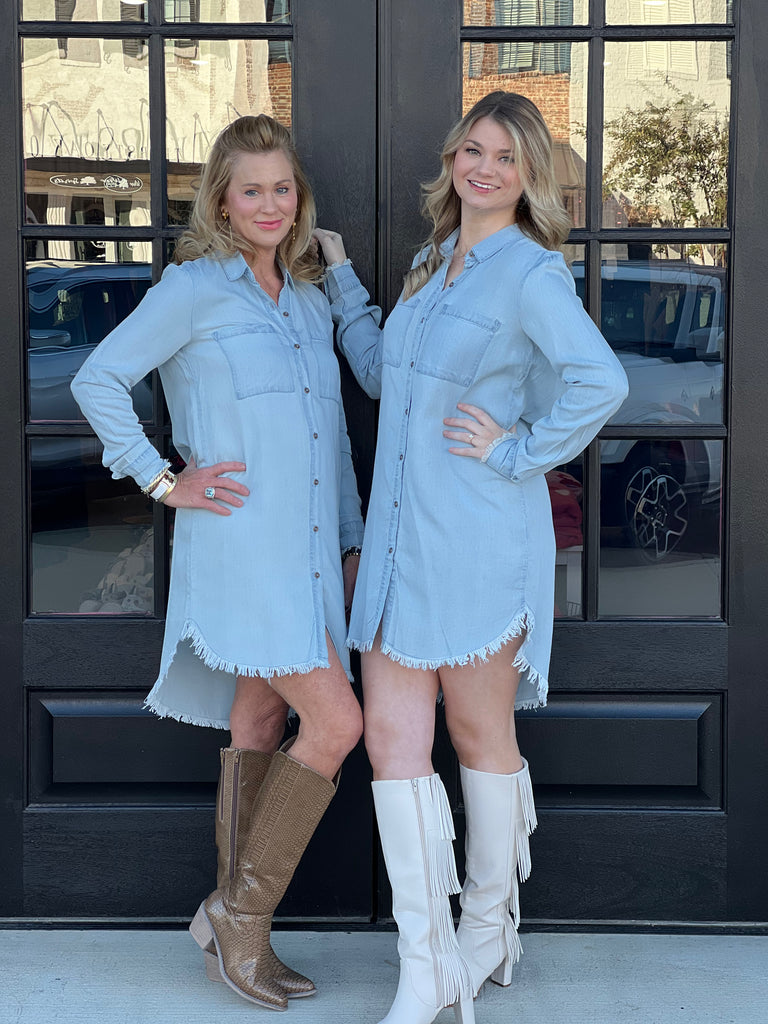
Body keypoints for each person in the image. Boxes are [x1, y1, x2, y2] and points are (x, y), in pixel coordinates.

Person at [315, 90, 629, 1024]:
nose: (485, 169)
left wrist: (516, 450)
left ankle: (489, 929)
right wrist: (342, 282)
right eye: (474, 150)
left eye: (507, 157)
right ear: (453, 158)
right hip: (398, 542)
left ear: (530, 176)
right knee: (390, 743)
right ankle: (428, 966)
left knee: (478, 735)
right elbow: (384, 375)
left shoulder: (531, 273)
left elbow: (601, 381)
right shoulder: (430, 264)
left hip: (480, 539)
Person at [71, 114, 364, 1011]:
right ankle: (241, 916)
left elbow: (329, 439)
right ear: (222, 202)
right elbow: (97, 379)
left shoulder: (309, 299)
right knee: (337, 724)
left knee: (260, 718)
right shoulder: (193, 288)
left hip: (310, 556)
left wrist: (350, 540)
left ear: (298, 197)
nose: (271, 205)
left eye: (283, 188)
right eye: (252, 190)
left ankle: (233, 928)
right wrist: (164, 481)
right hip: (242, 553)